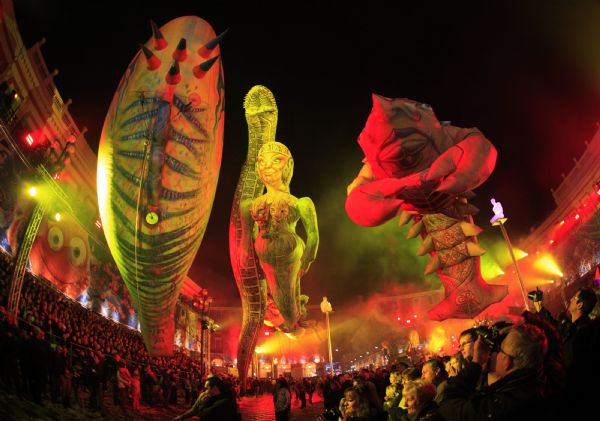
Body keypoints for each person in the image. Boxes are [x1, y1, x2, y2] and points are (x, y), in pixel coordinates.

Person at [240, 141, 319, 334]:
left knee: (287, 298)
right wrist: (246, 262)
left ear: (289, 166)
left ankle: (292, 321)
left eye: (276, 160)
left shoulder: (301, 203)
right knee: (282, 297)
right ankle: (291, 322)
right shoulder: (250, 205)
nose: (267, 166)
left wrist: (307, 259)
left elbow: (313, 235)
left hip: (289, 252)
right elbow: (246, 239)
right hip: (265, 256)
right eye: (261, 161)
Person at [438, 323, 549, 420]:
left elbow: (447, 403)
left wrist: (476, 362)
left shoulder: (498, 408)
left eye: (499, 349)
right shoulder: (536, 381)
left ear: (507, 361)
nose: (494, 353)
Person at [173, 375, 241, 421]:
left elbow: (203, 414)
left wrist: (205, 403)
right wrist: (180, 417)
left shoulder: (224, 401)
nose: (205, 391)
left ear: (215, 387)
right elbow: (194, 410)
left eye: (207, 388)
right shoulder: (204, 395)